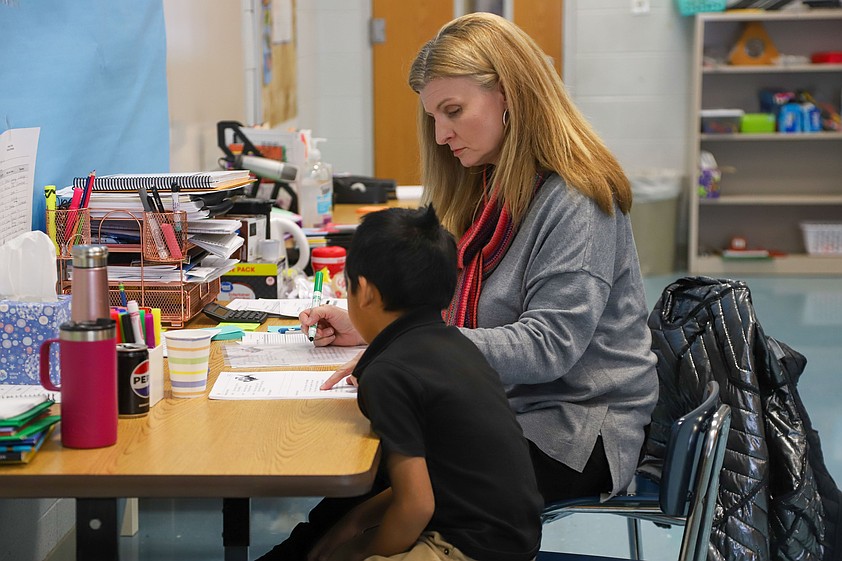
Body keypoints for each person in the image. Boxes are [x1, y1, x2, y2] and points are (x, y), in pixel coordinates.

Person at [258, 11, 657, 560]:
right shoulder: (490, 182)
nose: (442, 136)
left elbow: (549, 348)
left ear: (510, 96)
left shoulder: (576, 201)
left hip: (570, 429)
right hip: (501, 404)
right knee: (351, 498)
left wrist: (410, 347)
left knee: (383, 489)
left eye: (454, 112)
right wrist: (379, 321)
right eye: (434, 117)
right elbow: (456, 307)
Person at [306, 205, 542, 561]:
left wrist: (363, 552)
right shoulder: (456, 346)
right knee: (329, 542)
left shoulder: (387, 374)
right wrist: (352, 524)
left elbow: (416, 505)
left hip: (467, 549)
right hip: (511, 536)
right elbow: (428, 481)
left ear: (365, 292)